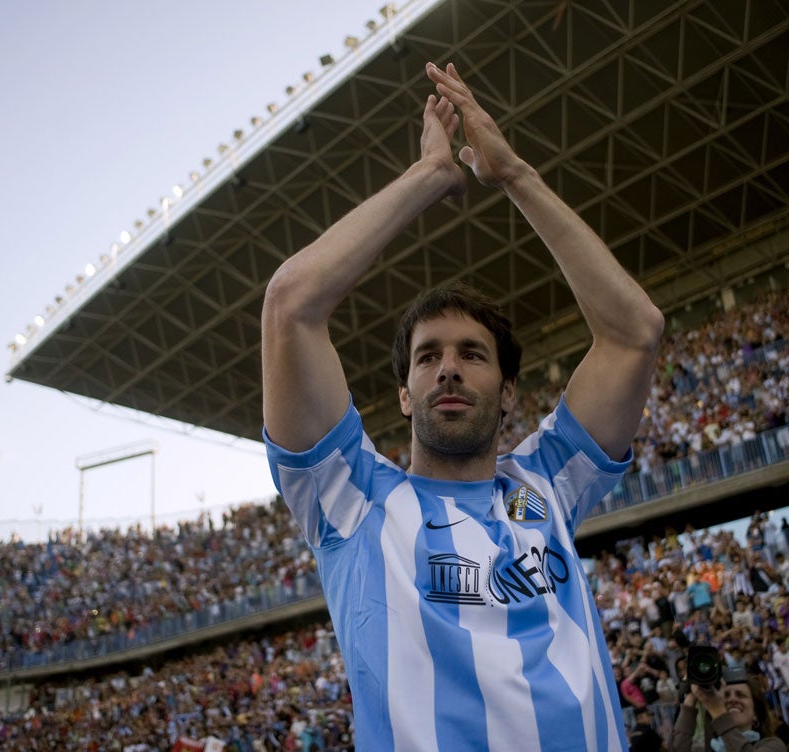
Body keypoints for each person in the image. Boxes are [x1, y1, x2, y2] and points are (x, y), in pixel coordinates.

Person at [261, 60, 664, 751]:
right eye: (428, 357)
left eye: (472, 355)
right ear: (403, 395)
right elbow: (291, 305)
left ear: (509, 392)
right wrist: (430, 177)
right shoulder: (350, 501)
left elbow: (636, 334)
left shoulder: (546, 484)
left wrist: (515, 176)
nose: (448, 368)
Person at [671, 671, 786, 752]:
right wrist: (691, 698)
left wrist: (717, 709)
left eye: (740, 695)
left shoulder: (773, 745)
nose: (732, 699)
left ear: (755, 714)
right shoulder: (707, 747)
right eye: (725, 695)